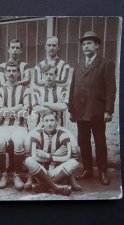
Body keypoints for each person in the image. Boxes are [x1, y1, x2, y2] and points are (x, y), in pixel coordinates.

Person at [69, 31, 116, 185]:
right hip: (81, 111)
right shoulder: (79, 64)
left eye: (89, 43)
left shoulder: (106, 63)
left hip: (97, 111)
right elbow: (73, 88)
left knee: (100, 142)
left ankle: (103, 172)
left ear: (96, 45)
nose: (86, 46)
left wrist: (108, 110)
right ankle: (88, 170)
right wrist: (71, 109)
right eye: (84, 44)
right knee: (83, 141)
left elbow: (111, 88)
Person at [0, 61, 31, 190]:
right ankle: (4, 174)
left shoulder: (25, 90)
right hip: (3, 126)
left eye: (13, 71)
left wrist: (8, 110)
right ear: (4, 73)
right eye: (8, 71)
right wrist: (18, 107)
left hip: (19, 126)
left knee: (19, 142)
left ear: (18, 73)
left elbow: (26, 112)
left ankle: (17, 175)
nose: (11, 73)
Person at [25, 110, 80, 196]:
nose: (49, 123)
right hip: (41, 171)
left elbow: (67, 157)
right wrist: (56, 155)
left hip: (57, 172)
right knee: (29, 160)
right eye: (46, 121)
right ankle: (55, 187)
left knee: (74, 163)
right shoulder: (36, 135)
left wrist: (48, 156)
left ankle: (44, 187)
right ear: (43, 122)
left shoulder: (63, 134)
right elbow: (35, 157)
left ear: (56, 122)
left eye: (52, 120)